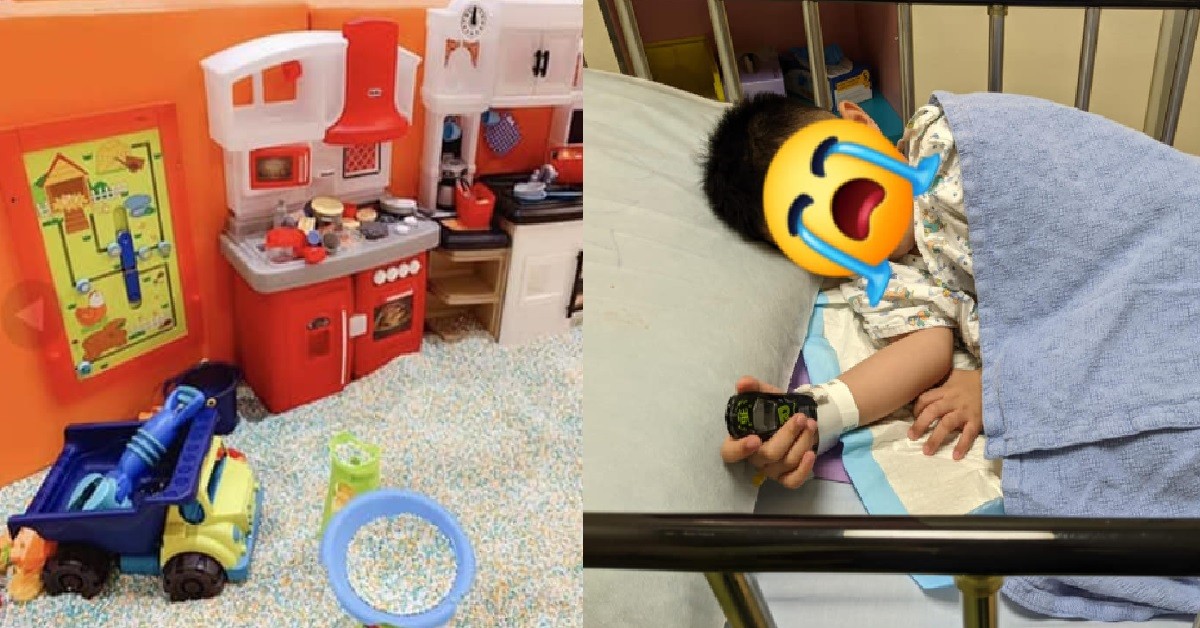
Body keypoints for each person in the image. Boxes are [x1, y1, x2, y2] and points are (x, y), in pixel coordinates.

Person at [701, 94, 983, 489]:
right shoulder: (884, 282)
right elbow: (924, 351)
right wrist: (811, 415)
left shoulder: (941, 139)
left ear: (860, 124)